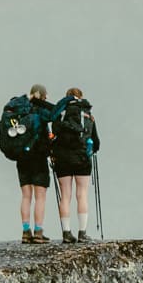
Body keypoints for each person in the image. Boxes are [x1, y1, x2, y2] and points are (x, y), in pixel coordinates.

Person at [49, 87, 100, 243]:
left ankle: (66, 233)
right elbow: (96, 142)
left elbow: (53, 137)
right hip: (82, 158)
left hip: (62, 159)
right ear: (81, 97)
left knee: (65, 195)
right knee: (82, 194)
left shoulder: (59, 115)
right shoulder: (88, 116)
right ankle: (82, 233)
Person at [12, 83, 58, 244]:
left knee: (26, 196)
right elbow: (55, 114)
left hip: (22, 158)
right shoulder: (40, 111)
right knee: (40, 197)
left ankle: (26, 232)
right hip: (38, 158)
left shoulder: (19, 110)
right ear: (43, 95)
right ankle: (38, 232)